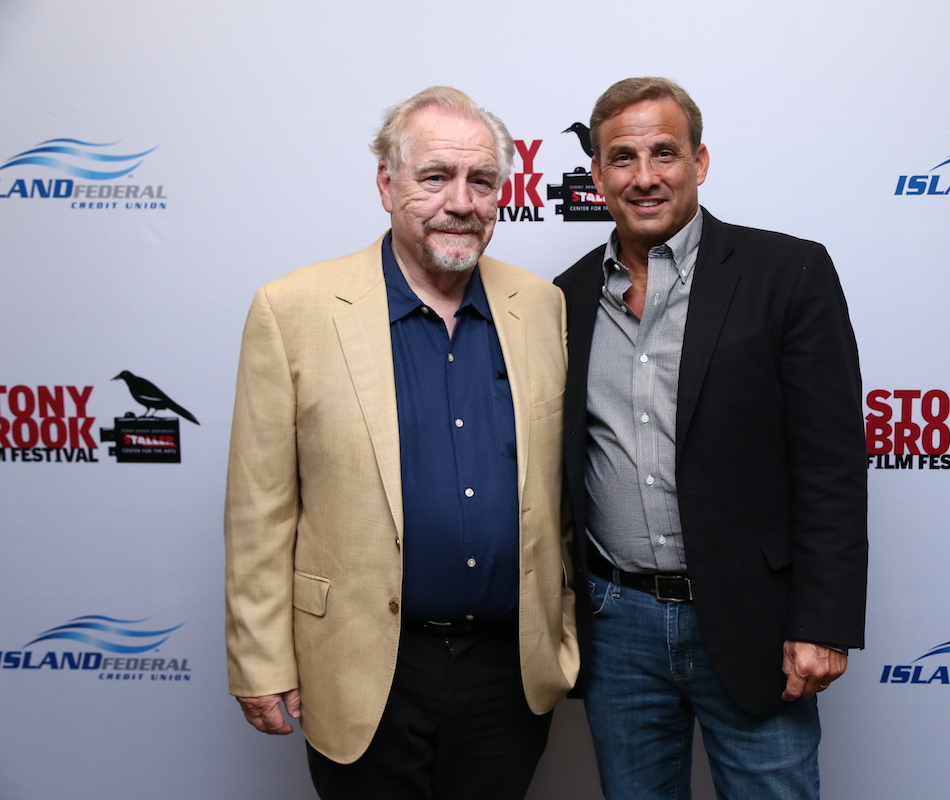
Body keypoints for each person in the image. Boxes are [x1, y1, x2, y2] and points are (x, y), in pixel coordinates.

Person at [224, 86, 578, 800]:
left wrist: (563, 631)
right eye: (435, 176)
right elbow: (260, 509)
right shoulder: (292, 309)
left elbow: (563, 494)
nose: (462, 201)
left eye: (482, 181)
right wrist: (259, 661)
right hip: (364, 663)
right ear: (387, 185)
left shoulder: (541, 306)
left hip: (508, 669)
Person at [554, 77, 868, 799]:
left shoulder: (787, 274)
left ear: (700, 161)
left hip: (753, 618)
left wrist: (822, 620)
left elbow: (831, 465)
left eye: (664, 152)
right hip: (617, 625)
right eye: (622, 157)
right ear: (597, 175)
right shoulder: (561, 300)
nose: (645, 176)